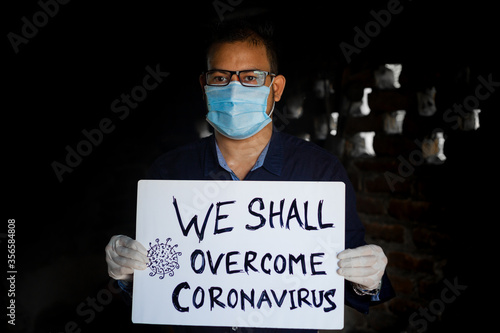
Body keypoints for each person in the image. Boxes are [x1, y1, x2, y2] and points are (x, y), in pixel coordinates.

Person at [105, 19, 394, 331]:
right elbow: (157, 289)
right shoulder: (168, 173)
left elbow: (347, 280)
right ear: (205, 87)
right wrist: (128, 276)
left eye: (251, 77)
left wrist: (369, 280)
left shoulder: (321, 173)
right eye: (220, 77)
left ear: (276, 88)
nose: (233, 89)